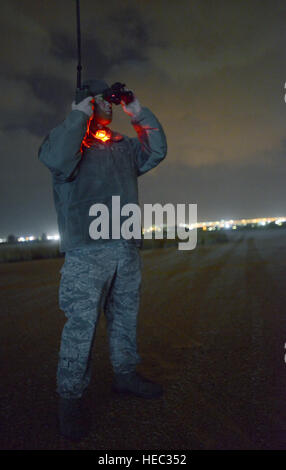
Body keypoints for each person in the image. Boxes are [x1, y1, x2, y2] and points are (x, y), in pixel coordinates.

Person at [38, 79, 167, 440]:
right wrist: (80, 112)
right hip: (86, 253)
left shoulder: (123, 148)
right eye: (101, 101)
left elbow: (156, 151)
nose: (107, 106)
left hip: (125, 247)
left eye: (109, 101)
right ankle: (70, 399)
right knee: (81, 328)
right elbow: (57, 160)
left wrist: (135, 108)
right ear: (85, 107)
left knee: (125, 317)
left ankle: (125, 375)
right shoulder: (67, 146)